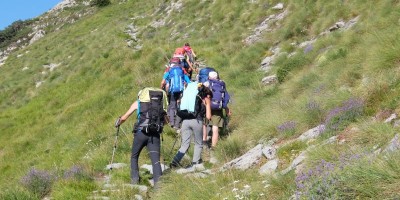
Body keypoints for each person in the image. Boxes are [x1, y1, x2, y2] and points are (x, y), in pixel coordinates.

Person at [116, 87, 168, 185]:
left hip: (141, 134)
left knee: (134, 157)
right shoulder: (159, 106)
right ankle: (159, 186)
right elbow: (166, 121)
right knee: (156, 161)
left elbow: (125, 117)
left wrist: (118, 122)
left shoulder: (138, 103)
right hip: (154, 135)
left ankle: (135, 181)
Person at [170, 82, 212, 170]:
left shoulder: (188, 97)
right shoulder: (205, 99)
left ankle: (175, 162)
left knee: (184, 144)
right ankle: (195, 162)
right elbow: (208, 116)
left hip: (185, 121)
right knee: (198, 143)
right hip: (197, 121)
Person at [160, 59, 191, 131]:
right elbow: (189, 82)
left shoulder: (169, 71)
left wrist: (161, 90)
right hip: (181, 91)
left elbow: (162, 82)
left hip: (173, 91)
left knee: (172, 106)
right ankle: (177, 124)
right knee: (180, 106)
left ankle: (171, 123)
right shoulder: (182, 71)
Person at [206, 71, 231, 149]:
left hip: (207, 106)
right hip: (218, 108)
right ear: (217, 77)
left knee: (205, 123)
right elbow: (225, 97)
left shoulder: (206, 84)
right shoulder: (222, 84)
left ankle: (205, 141)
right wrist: (226, 107)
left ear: (209, 77)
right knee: (215, 127)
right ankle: (213, 146)